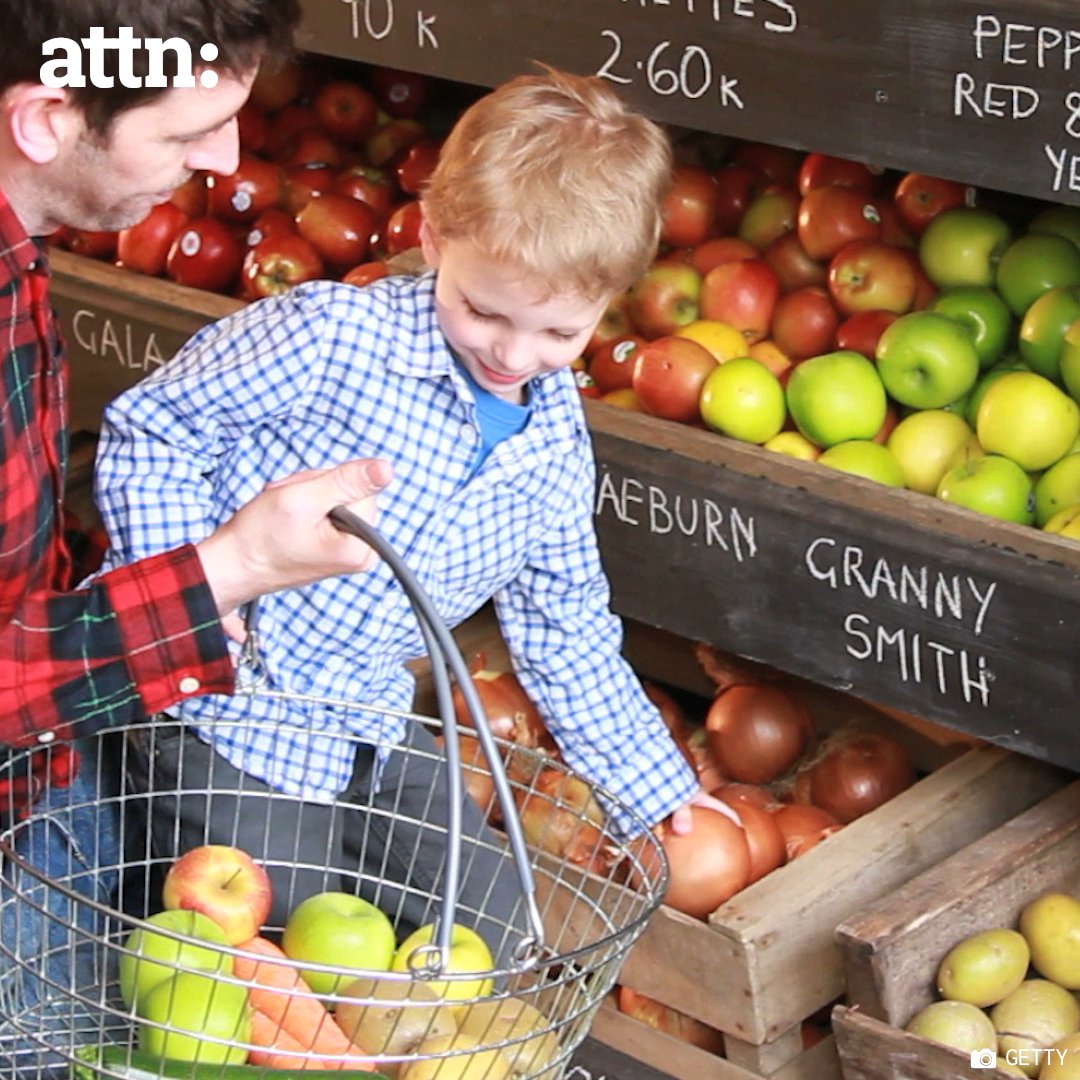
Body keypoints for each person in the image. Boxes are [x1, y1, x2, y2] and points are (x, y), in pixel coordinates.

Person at [95, 66, 736, 970]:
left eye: (560, 334)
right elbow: (153, 429)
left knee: (497, 933)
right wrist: (197, 589)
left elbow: (565, 630)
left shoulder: (552, 441)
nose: (514, 355)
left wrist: (654, 787)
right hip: (220, 711)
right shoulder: (328, 340)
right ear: (435, 237)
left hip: (364, 716)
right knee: (284, 950)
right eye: (483, 311)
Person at [0, 0, 391, 1064]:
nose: (225, 162)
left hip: (45, 783)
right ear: (46, 118)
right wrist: (236, 565)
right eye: (183, 132)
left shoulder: (18, 244)